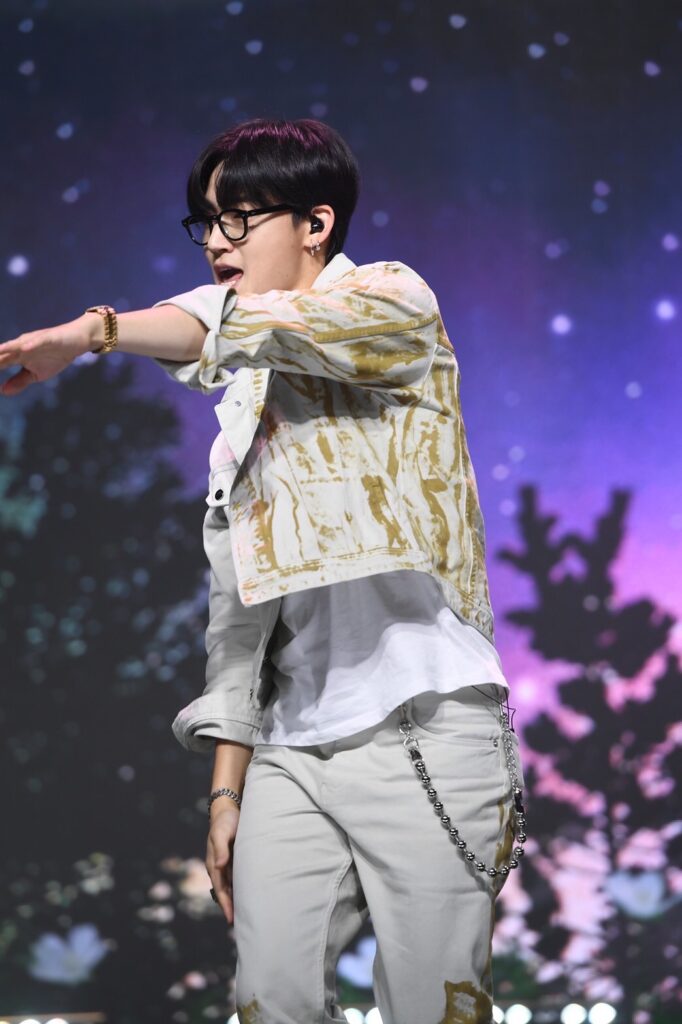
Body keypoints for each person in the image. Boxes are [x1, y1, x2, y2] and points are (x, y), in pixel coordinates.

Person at [0, 118, 527, 1024]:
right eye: (206, 222)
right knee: (267, 1002)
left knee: (433, 1010)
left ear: (316, 224)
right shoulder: (243, 411)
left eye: (239, 218)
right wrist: (226, 789)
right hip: (290, 749)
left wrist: (91, 332)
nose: (216, 240)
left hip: (424, 725)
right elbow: (240, 618)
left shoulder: (393, 302)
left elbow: (247, 324)